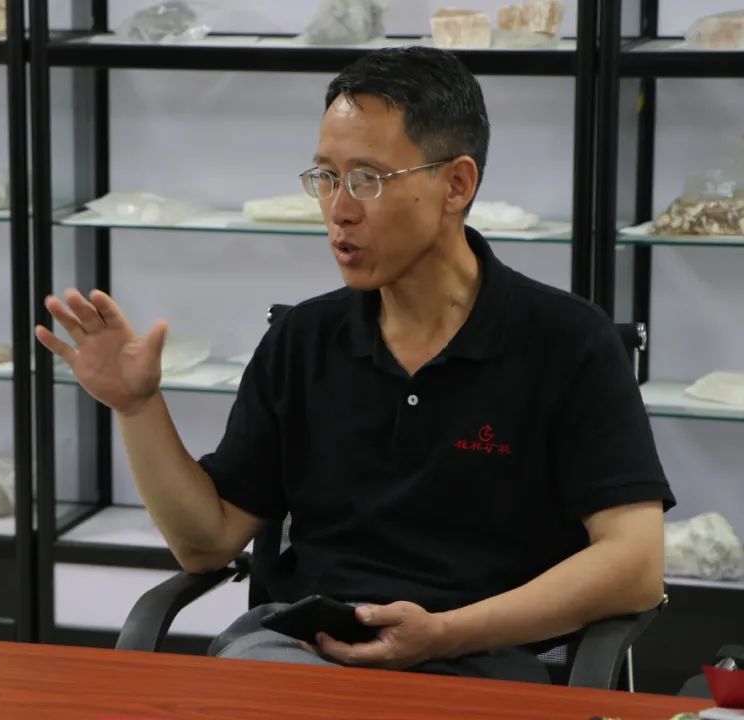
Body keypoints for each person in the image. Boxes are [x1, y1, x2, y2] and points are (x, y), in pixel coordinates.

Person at [35, 46, 675, 684]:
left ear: (456, 185)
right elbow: (208, 543)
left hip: (490, 658)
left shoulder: (568, 342)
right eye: (325, 177)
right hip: (303, 654)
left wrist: (445, 633)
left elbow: (635, 566)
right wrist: (137, 407)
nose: (339, 209)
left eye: (368, 178)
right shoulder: (303, 341)